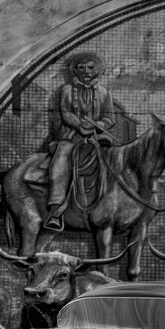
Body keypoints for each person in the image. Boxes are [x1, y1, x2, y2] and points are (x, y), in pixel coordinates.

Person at [44, 52, 116, 231]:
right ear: (75, 70)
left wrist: (99, 124)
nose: (86, 71)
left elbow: (110, 118)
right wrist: (80, 125)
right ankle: (55, 211)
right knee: (60, 164)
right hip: (71, 137)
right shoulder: (67, 90)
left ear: (97, 70)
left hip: (96, 138)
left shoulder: (104, 93)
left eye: (90, 67)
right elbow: (66, 112)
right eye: (81, 67)